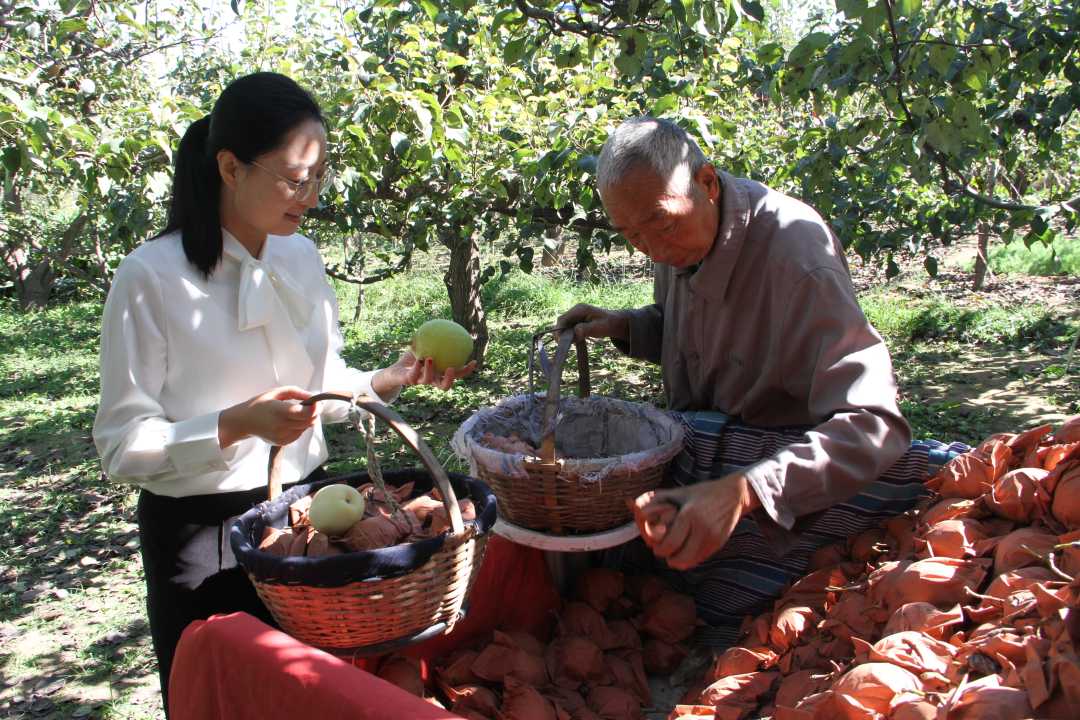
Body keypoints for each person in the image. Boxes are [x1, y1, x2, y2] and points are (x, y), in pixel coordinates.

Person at [92, 72, 474, 712]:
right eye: (297, 178)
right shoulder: (150, 277)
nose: (312, 195)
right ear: (230, 168)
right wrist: (236, 424)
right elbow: (121, 447)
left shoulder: (301, 256)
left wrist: (386, 381)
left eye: (321, 176)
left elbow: (321, 383)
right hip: (203, 533)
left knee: (313, 698)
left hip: (307, 518)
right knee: (226, 698)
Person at [558, 117, 962, 648]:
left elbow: (876, 425)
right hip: (707, 449)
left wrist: (746, 490)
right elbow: (693, 333)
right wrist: (627, 325)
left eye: (658, 225)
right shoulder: (678, 236)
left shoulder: (796, 256)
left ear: (706, 183)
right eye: (629, 234)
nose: (649, 248)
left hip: (785, 468)